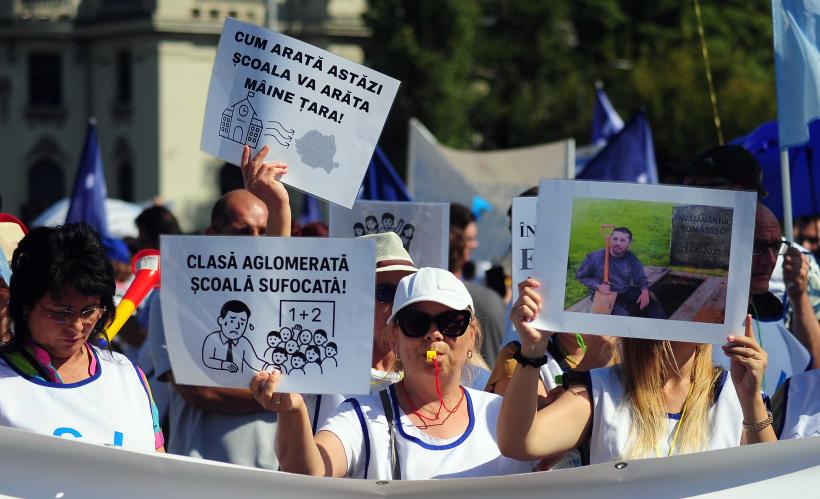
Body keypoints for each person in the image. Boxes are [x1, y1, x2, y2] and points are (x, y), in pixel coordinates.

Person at [148, 146, 337, 468]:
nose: (256, 241)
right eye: (243, 231)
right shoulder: (171, 295)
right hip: (203, 471)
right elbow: (199, 392)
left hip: (275, 472)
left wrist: (280, 203)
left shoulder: (285, 295)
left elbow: (279, 260)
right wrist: (288, 396)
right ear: (213, 234)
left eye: (263, 232)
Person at [250, 267, 532, 479]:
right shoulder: (361, 417)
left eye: (451, 323)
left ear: (471, 335)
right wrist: (293, 412)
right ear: (394, 337)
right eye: (416, 322)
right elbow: (309, 473)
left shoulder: (505, 417)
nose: (434, 335)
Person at [497, 277, 775, 465]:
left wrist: (751, 401)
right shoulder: (603, 390)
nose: (692, 310)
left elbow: (772, 479)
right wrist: (532, 350)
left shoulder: (733, 394)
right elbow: (519, 443)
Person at [0, 223, 164, 452]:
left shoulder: (128, 374)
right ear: (26, 304)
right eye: (60, 313)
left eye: (89, 311)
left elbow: (158, 463)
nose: (77, 326)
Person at [712, 203, 819, 395]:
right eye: (757, 246)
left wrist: (799, 295)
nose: (770, 260)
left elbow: (814, 376)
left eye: (776, 246)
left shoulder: (772, 317)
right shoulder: (696, 326)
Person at [449, 203, 505, 365]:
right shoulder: (486, 298)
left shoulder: (487, 296)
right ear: (453, 240)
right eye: (469, 239)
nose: (475, 245)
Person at [575, 226, 665, 318]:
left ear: (629, 243)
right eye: (615, 239)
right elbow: (580, 276)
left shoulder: (631, 258)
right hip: (604, 295)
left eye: (622, 240)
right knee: (622, 316)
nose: (618, 243)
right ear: (610, 240)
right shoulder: (595, 257)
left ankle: (662, 325)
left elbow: (641, 278)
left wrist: (645, 291)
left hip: (624, 291)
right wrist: (598, 286)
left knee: (651, 298)